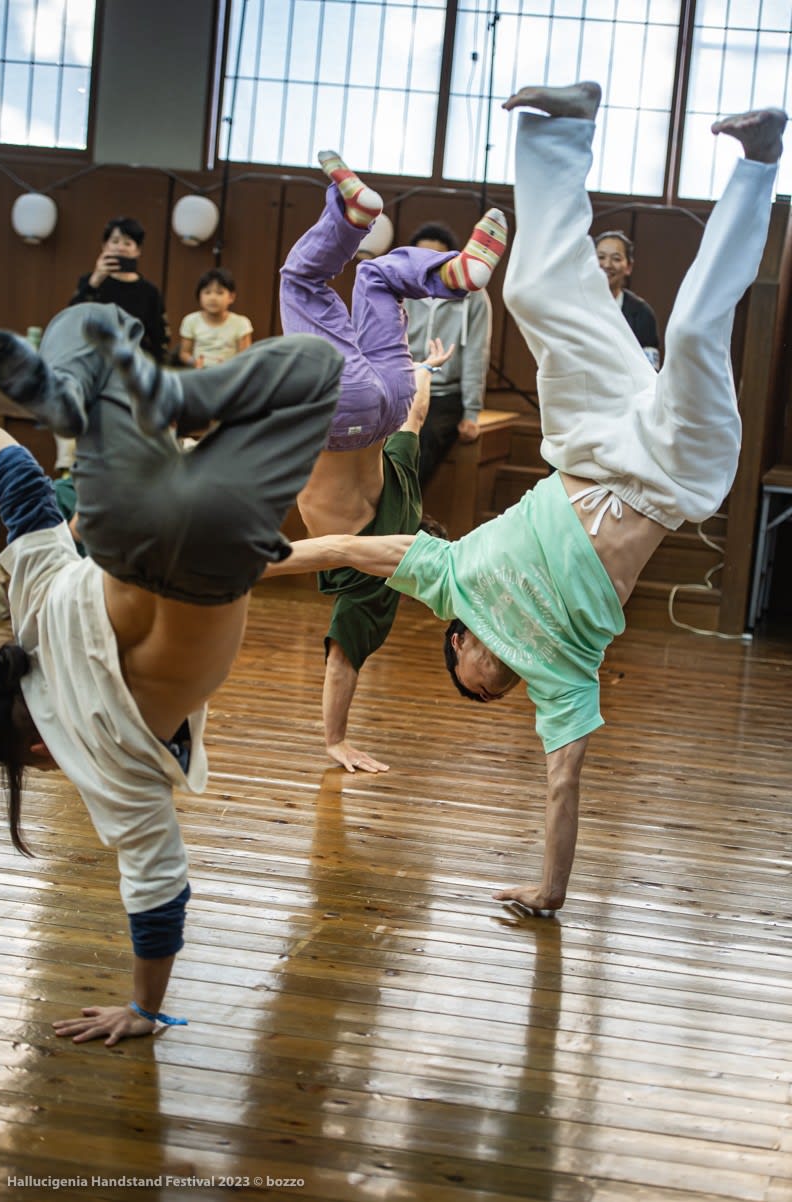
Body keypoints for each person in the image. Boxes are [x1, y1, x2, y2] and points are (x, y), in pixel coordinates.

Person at [263, 82, 787, 918]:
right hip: (669, 475)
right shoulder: (560, 677)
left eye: (475, 688)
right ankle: (761, 161)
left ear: (459, 644)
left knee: (528, 295)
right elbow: (563, 783)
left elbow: (338, 550)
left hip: (589, 441)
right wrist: (552, 888)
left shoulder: (450, 578)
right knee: (692, 331)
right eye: (491, 698)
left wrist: (243, 564)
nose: (492, 693)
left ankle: (561, 129)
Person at [0, 304, 341, 1044]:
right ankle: (149, 396)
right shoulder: (32, 617)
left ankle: (168, 403)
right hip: (118, 519)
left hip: (218, 546)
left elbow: (158, 894)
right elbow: (18, 480)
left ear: (37, 749)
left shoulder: (111, 771)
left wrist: (144, 1009)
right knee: (91, 317)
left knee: (318, 368)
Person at [268, 152, 506, 772]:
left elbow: (417, 415)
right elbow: (341, 663)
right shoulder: (376, 582)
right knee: (300, 283)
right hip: (341, 416)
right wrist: (334, 740)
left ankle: (449, 271)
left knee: (375, 277)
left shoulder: (405, 488)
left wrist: (423, 369)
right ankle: (351, 216)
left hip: (394, 393)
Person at [403, 222, 493, 487]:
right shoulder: (399, 288)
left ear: (450, 261)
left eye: (435, 258)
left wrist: (471, 413)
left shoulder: (473, 296)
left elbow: (476, 354)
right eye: (420, 256)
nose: (427, 264)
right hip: (402, 388)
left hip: (444, 394)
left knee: (423, 439)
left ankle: (400, 507)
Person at [69, 216, 169, 364]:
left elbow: (159, 338)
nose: (120, 248)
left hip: (133, 364)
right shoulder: (89, 282)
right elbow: (72, 319)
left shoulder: (149, 292)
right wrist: (95, 281)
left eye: (127, 243)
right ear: (104, 246)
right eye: (115, 241)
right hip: (93, 359)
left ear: (138, 250)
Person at [594, 229, 661, 368]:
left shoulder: (643, 313)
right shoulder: (574, 306)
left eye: (616, 258)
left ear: (629, 267)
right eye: (601, 257)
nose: (607, 264)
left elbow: (651, 369)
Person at [178, 267, 253, 368]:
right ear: (199, 296)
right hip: (199, 372)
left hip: (229, 373)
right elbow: (184, 353)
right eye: (207, 292)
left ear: (231, 297)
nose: (213, 298)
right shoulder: (190, 320)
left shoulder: (241, 323)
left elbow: (245, 357)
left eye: (219, 292)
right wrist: (194, 362)